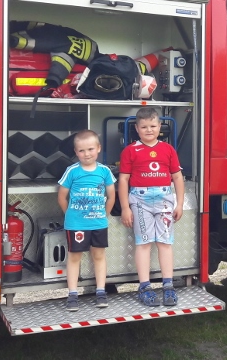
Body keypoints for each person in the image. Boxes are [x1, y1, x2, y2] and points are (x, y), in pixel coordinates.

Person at [118, 107, 185, 307]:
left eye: (153, 126)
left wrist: (179, 203)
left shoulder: (168, 149)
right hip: (140, 201)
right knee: (144, 243)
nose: (149, 130)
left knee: (165, 242)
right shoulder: (130, 151)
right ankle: (145, 287)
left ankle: (168, 285)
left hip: (164, 200)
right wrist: (125, 207)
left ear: (160, 126)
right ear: (137, 129)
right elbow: (123, 180)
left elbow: (177, 177)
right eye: (144, 127)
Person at [57, 130, 116, 312]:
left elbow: (111, 196)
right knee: (75, 257)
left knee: (99, 256)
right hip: (76, 225)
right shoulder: (72, 171)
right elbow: (62, 197)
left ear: (98, 148)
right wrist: (71, 216)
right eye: (81, 150)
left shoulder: (104, 171)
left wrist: (104, 216)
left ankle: (101, 291)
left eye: (90, 149)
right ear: (76, 152)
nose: (86, 154)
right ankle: (73, 294)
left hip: (98, 223)